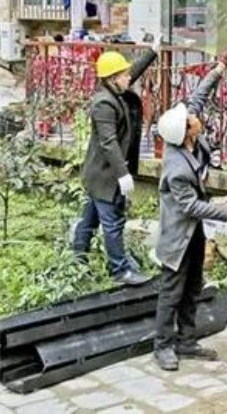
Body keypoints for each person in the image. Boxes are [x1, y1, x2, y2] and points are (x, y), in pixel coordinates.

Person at [153, 41, 227, 372]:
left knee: (193, 285)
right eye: (192, 120)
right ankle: (163, 346)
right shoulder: (177, 168)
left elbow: (199, 96)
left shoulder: (185, 133)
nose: (196, 116)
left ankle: (186, 340)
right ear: (186, 133)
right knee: (172, 291)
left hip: (193, 234)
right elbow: (191, 206)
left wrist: (222, 65)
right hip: (178, 234)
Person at [72, 40, 159, 285]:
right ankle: (120, 271)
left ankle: (77, 260)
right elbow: (108, 142)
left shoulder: (115, 90)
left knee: (89, 219)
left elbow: (133, 73)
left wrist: (152, 52)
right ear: (112, 79)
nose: (128, 77)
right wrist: (123, 174)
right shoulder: (104, 104)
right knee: (113, 222)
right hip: (105, 175)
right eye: (123, 74)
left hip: (101, 174)